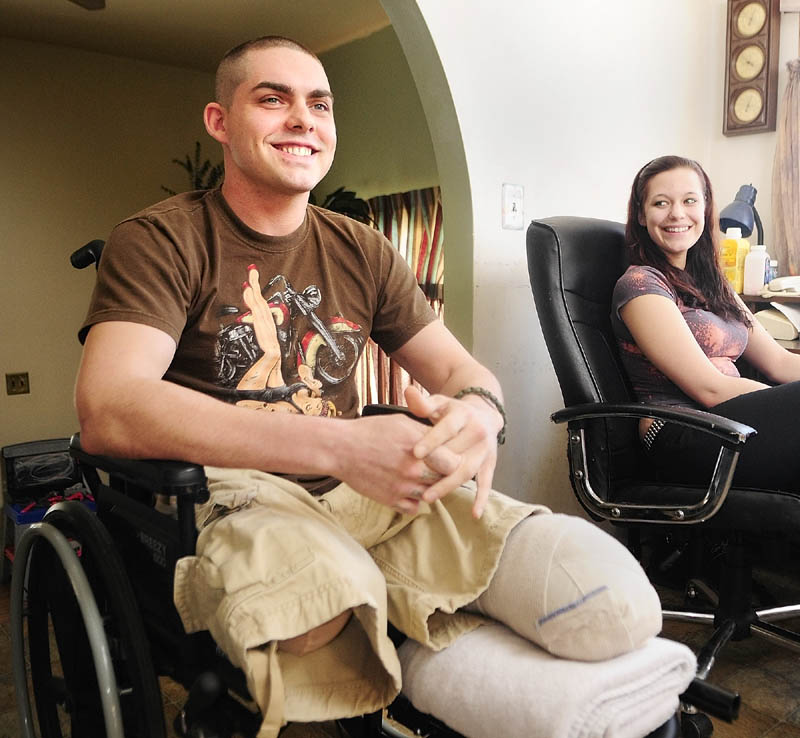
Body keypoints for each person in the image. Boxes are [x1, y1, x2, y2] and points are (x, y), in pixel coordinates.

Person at [75, 36, 660, 736]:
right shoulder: (164, 238)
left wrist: (477, 413)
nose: (303, 118)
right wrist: (337, 444)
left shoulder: (362, 247)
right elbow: (109, 407)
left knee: (613, 603)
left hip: (377, 494)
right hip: (235, 496)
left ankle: (429, 646)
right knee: (324, 612)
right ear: (219, 121)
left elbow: (460, 372)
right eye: (273, 98)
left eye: (319, 103)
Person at [612, 155, 800, 491]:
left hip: (732, 421)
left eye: (689, 201)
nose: (677, 214)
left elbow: (780, 362)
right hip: (682, 432)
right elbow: (709, 389)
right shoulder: (641, 284)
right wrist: (785, 403)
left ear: (705, 208)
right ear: (641, 215)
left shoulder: (713, 283)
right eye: (660, 203)